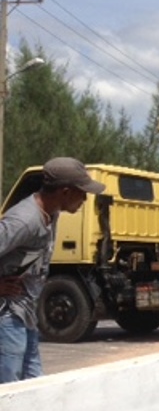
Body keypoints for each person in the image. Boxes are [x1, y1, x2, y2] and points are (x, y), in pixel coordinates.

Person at [0, 157, 105, 383]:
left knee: (35, 386)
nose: (85, 199)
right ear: (65, 192)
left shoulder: (52, 213)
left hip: (25, 315)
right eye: (82, 192)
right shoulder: (24, 221)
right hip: (7, 316)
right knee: (8, 391)